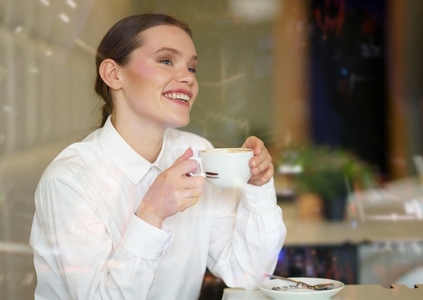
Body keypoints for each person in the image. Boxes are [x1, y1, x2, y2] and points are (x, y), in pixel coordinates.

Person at [29, 12, 286, 300]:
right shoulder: (69, 180)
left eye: (192, 68)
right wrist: (151, 213)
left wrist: (258, 187)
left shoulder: (196, 155)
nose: (187, 77)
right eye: (166, 61)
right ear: (114, 74)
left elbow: (248, 273)